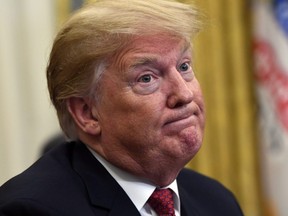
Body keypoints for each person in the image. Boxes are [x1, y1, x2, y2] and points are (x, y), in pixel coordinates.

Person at [0, 0, 244, 215]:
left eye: (184, 66)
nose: (184, 93)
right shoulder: (31, 209)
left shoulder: (216, 200)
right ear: (87, 113)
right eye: (147, 78)